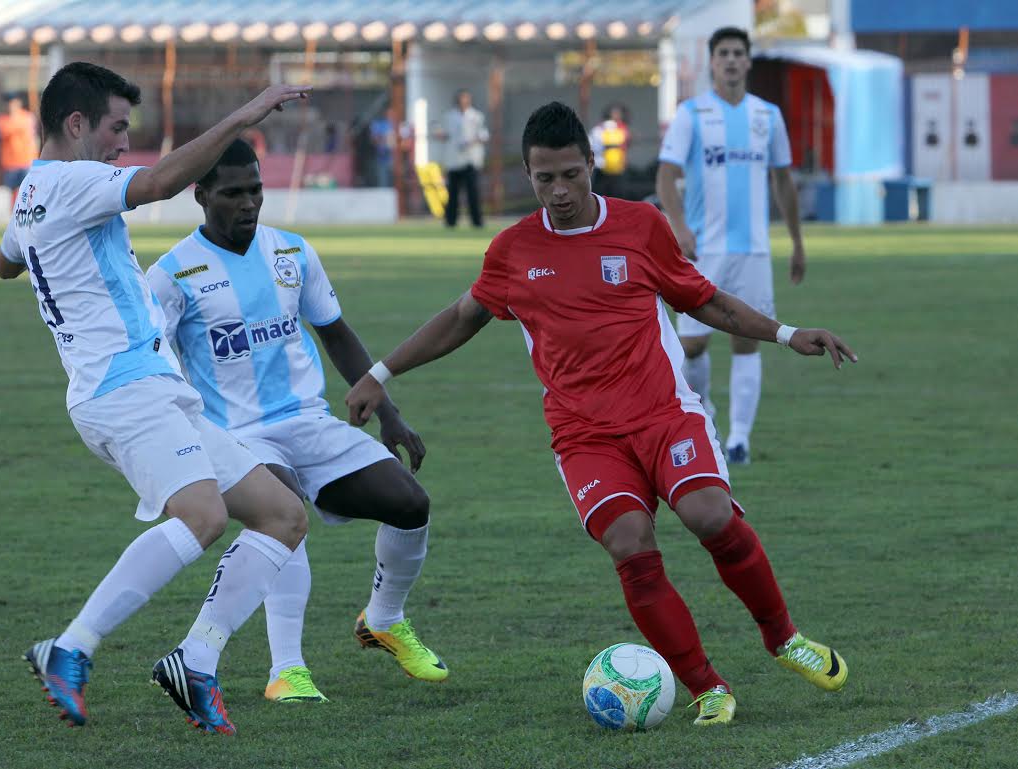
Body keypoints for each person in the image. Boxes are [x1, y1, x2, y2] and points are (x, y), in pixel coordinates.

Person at [346, 102, 855, 727]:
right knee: (629, 543)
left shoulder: (641, 226)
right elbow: (460, 319)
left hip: (664, 413)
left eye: (571, 175)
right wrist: (379, 374)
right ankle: (707, 688)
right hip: (585, 436)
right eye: (544, 179)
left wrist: (787, 333)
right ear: (528, 175)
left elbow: (705, 301)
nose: (560, 192)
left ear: (592, 163)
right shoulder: (512, 250)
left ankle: (784, 639)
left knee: (710, 515)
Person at [0, 62, 311, 734]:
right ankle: (70, 646)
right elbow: (162, 182)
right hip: (123, 387)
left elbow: (6, 261)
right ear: (75, 123)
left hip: (150, 387)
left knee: (282, 515)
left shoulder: (33, 191)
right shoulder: (74, 181)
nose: (123, 142)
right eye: (115, 127)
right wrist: (246, 113)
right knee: (202, 515)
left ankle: (196, 660)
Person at [146, 138, 447, 703]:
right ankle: (286, 670)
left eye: (255, 190)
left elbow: (335, 332)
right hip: (236, 434)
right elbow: (150, 364)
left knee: (410, 504)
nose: (248, 203)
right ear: (201, 194)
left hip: (307, 421)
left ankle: (383, 619)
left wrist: (389, 414)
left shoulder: (292, 251)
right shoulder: (171, 275)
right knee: (283, 514)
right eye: (232, 193)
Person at [656, 27, 806, 465]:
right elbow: (666, 175)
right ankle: (705, 412)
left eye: (739, 53)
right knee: (692, 345)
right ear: (712, 62)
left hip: (754, 250)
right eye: (723, 53)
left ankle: (740, 439)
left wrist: (797, 241)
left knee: (748, 340)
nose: (731, 60)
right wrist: (679, 226)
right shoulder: (692, 113)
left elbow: (783, 180)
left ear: (748, 60)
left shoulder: (767, 115)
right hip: (703, 250)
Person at [436, 89, 488, 228]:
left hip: (471, 160)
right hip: (453, 161)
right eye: (461, 99)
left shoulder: (477, 116)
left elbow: (483, 135)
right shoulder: (449, 116)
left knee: (473, 192)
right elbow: (443, 134)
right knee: (452, 193)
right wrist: (440, 134)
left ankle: (477, 222)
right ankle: (450, 221)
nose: (463, 101)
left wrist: (471, 142)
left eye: (466, 99)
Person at [0, 93, 39, 209]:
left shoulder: (28, 117)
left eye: (13, 103)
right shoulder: (0, 121)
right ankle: (15, 214)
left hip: (27, 161)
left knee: (29, 192)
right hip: (10, 163)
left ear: (18, 103)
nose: (10, 106)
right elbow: (2, 133)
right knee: (12, 193)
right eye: (8, 103)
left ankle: (27, 212)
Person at [589, 104, 630, 198]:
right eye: (615, 113)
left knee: (617, 194)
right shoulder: (599, 129)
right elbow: (594, 146)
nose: (618, 116)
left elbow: (624, 146)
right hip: (602, 168)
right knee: (601, 194)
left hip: (617, 167)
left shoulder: (622, 128)